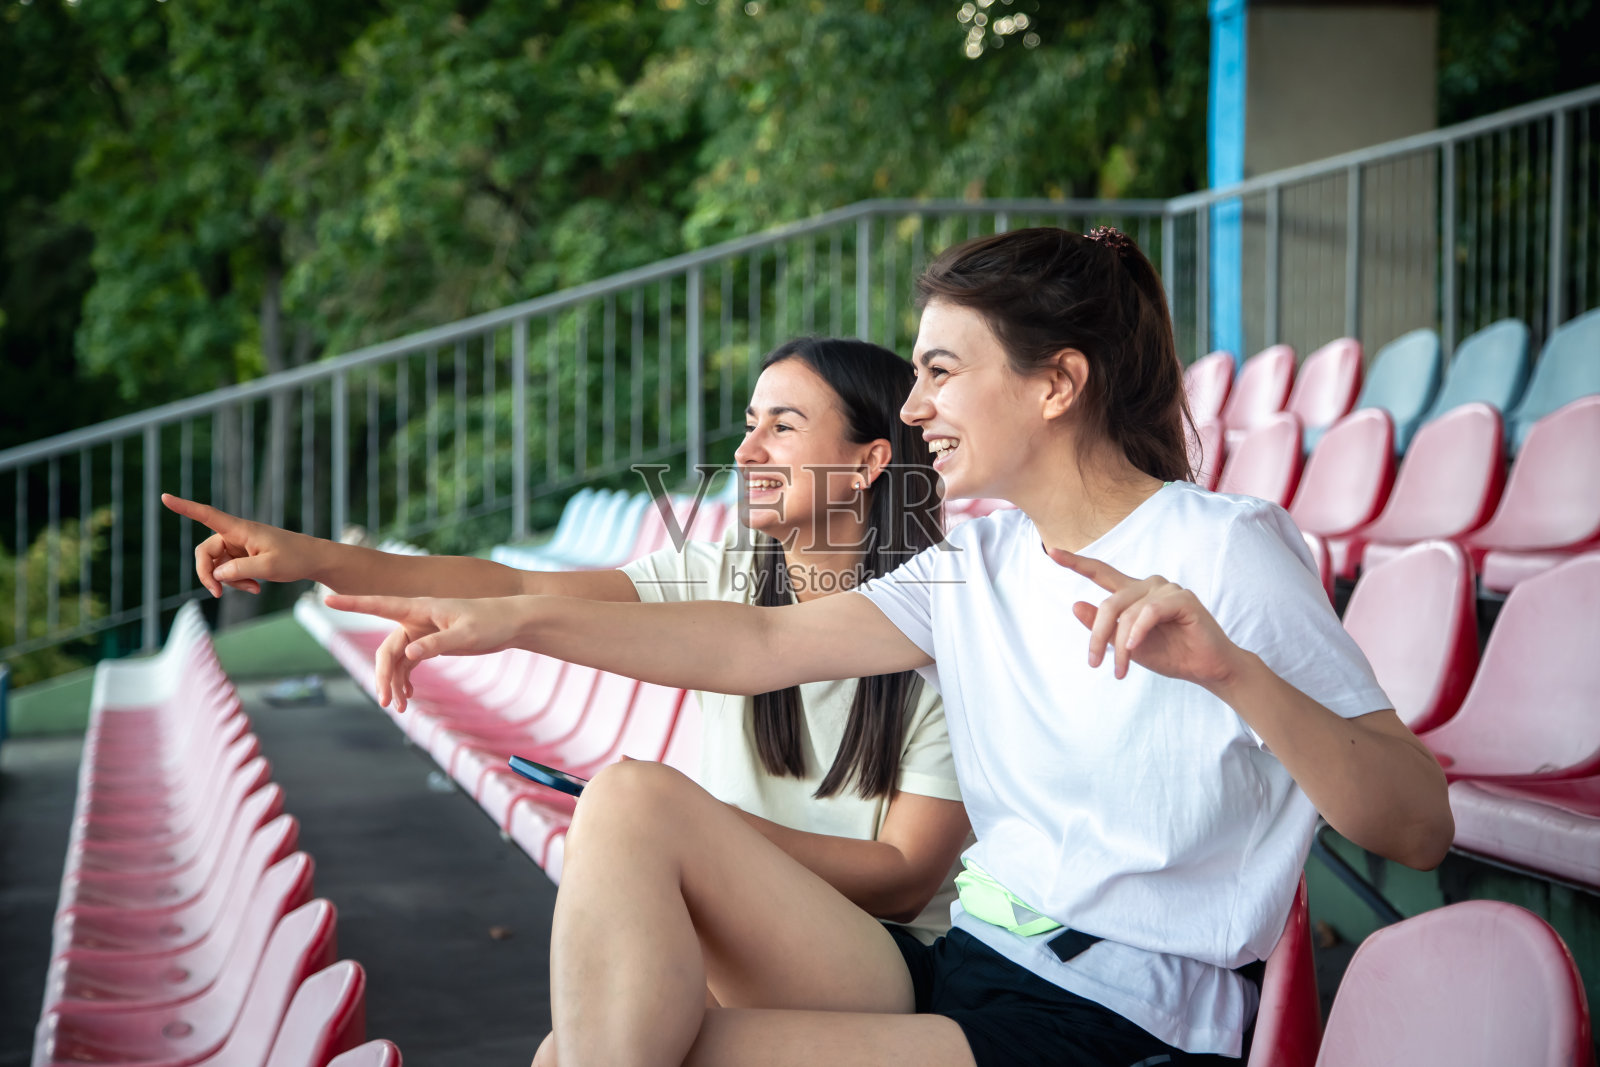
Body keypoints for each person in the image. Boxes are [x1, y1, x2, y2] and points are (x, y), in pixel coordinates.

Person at [334, 227, 1455, 1067]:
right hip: (976, 966)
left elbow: (1413, 819)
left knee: (594, 1053)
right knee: (628, 803)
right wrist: (516, 618)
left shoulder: (1225, 548)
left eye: (940, 370)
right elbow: (755, 639)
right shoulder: (982, 560)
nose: (914, 408)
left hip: (1121, 1019)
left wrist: (1231, 671)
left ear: (1057, 383)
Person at [162, 337, 971, 946]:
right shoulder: (727, 567)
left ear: (868, 463)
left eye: (782, 427)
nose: (746, 451)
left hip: (874, 954)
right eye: (749, 424)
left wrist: (705, 835)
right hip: (748, 918)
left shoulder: (941, 630)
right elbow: (519, 585)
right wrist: (314, 557)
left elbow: (901, 883)